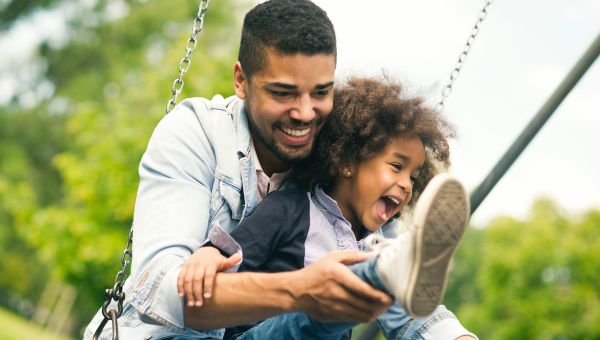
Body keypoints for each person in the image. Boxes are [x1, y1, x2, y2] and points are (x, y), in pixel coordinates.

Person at [84, 1, 469, 339]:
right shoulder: (196, 131)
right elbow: (159, 289)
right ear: (242, 81)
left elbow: (405, 299)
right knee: (317, 312)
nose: (304, 114)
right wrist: (302, 289)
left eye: (320, 92)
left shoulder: (341, 158)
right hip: (166, 335)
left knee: (336, 307)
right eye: (283, 93)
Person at [177, 77, 477, 339]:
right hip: (259, 336)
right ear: (347, 161)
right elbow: (237, 249)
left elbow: (409, 320)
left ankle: (395, 271)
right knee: (322, 311)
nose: (407, 185)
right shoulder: (292, 207)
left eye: (413, 177)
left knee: (367, 302)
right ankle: (387, 270)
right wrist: (209, 253)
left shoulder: (368, 240)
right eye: (396, 167)